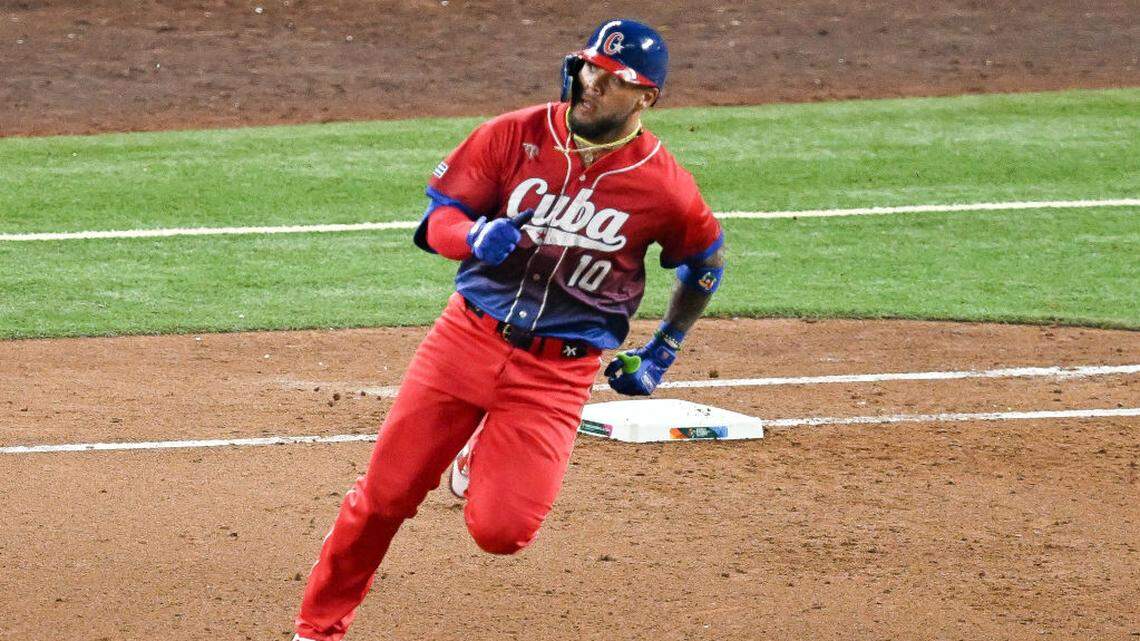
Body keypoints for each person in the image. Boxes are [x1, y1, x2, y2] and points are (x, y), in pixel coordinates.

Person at [292, 18, 725, 641]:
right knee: (383, 500)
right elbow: (437, 220)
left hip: (556, 371)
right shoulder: (513, 135)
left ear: (646, 96)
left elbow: (705, 262)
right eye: (588, 66)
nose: (591, 83)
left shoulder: (664, 186)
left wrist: (664, 349)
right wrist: (471, 236)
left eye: (613, 77)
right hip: (463, 341)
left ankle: (480, 453)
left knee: (502, 533)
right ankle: (318, 628)